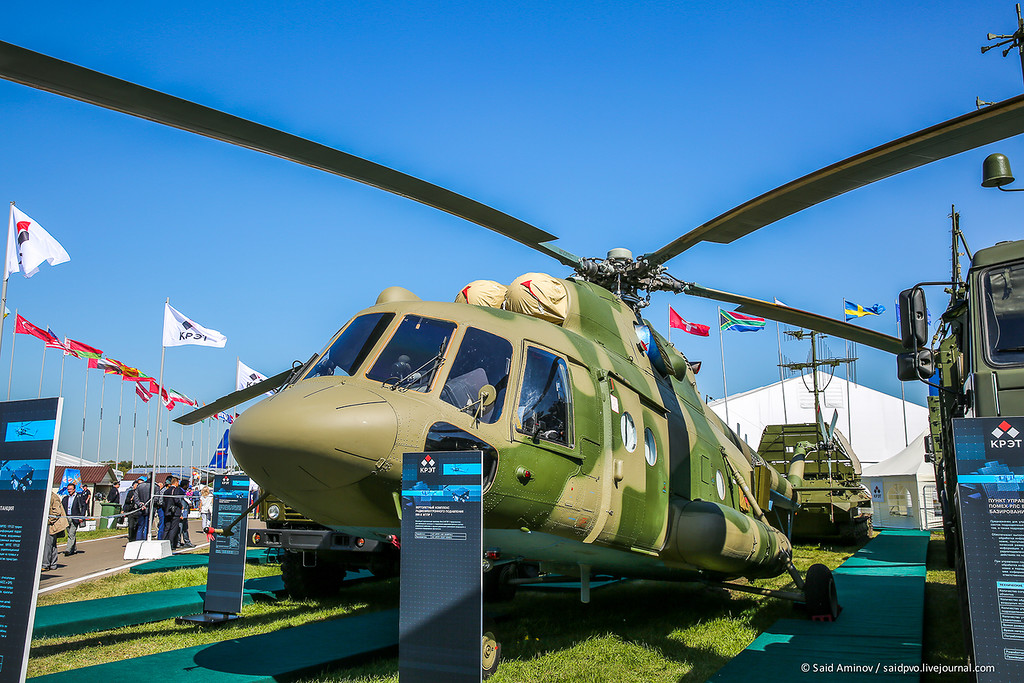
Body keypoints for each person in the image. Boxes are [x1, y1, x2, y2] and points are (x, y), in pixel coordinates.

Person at [42, 491, 68, 571]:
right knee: (52, 545)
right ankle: (53, 564)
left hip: (52, 524)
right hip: (53, 524)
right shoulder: (51, 495)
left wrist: (49, 521)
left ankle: (45, 564)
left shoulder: (53, 496)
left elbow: (57, 512)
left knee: (48, 544)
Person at [61, 482, 88, 555]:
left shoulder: (79, 497)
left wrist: (81, 516)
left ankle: (68, 550)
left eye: (71, 489)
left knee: (71, 534)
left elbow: (84, 506)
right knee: (70, 534)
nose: (69, 491)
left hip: (75, 518)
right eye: (68, 489)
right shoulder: (65, 498)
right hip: (67, 518)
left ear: (74, 489)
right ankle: (74, 548)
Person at [161, 476, 184, 549]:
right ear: (176, 482)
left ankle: (163, 541)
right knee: (173, 528)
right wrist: (180, 506)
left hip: (167, 511)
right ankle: (170, 543)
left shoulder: (166, 491)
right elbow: (176, 500)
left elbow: (163, 502)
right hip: (175, 511)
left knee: (167, 528)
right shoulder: (175, 490)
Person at [133, 476, 152, 541]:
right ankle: (143, 540)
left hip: (142, 508)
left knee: (141, 526)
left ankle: (139, 539)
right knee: (145, 526)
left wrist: (140, 504)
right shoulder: (151, 487)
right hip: (146, 508)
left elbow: (136, 498)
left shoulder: (139, 487)